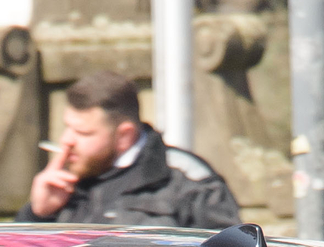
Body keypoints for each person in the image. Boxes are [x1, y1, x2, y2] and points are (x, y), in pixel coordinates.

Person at [18, 70, 242, 230]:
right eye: (67, 127)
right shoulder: (62, 183)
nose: (66, 141)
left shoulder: (186, 180)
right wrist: (37, 215)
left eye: (83, 133)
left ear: (124, 135)